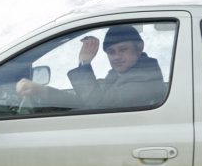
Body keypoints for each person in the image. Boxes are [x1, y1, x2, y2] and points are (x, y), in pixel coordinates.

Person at [16, 25, 167, 110]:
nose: (116, 57)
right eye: (111, 52)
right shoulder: (120, 75)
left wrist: (85, 63)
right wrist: (42, 90)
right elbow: (83, 100)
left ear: (139, 47)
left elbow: (96, 105)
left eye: (123, 49)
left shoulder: (145, 78)